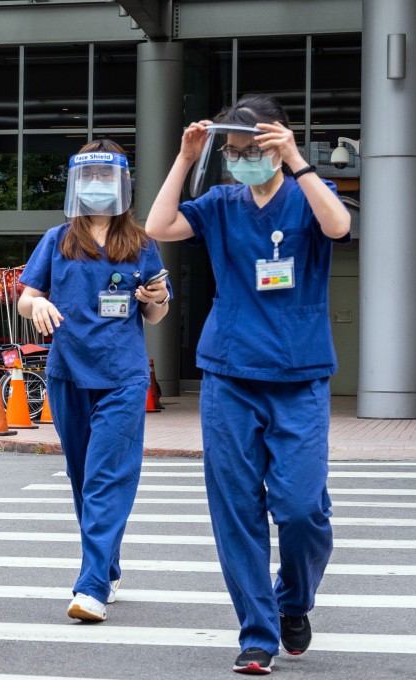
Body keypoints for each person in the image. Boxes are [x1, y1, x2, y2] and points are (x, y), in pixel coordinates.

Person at [145, 94, 351, 674]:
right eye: (233, 152)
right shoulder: (221, 202)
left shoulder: (308, 196)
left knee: (302, 508)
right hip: (230, 373)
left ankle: (295, 600)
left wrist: (299, 161)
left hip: (298, 374)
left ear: (278, 143)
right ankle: (256, 633)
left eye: (251, 149)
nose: (241, 160)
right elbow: (159, 225)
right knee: (236, 508)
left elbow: (339, 225)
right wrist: (185, 160)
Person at [17, 139, 171, 623]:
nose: (99, 186)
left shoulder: (142, 244)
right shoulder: (57, 239)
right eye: (91, 178)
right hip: (68, 373)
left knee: (108, 475)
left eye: (108, 177)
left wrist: (158, 295)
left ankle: (90, 586)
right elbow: (26, 296)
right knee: (82, 478)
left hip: (123, 375)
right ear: (77, 184)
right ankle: (108, 563)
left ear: (123, 184)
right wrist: (35, 303)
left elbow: (156, 313)